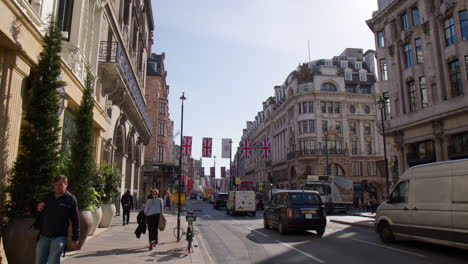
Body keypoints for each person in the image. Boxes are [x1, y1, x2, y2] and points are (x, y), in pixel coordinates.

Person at [36, 174, 79, 264]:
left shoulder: (70, 199)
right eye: (56, 185)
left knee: (53, 261)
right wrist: (39, 207)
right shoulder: (48, 197)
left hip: (59, 237)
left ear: (66, 185)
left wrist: (75, 237)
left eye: (61, 185)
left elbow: (75, 219)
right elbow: (39, 211)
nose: (58, 187)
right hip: (44, 235)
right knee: (40, 261)